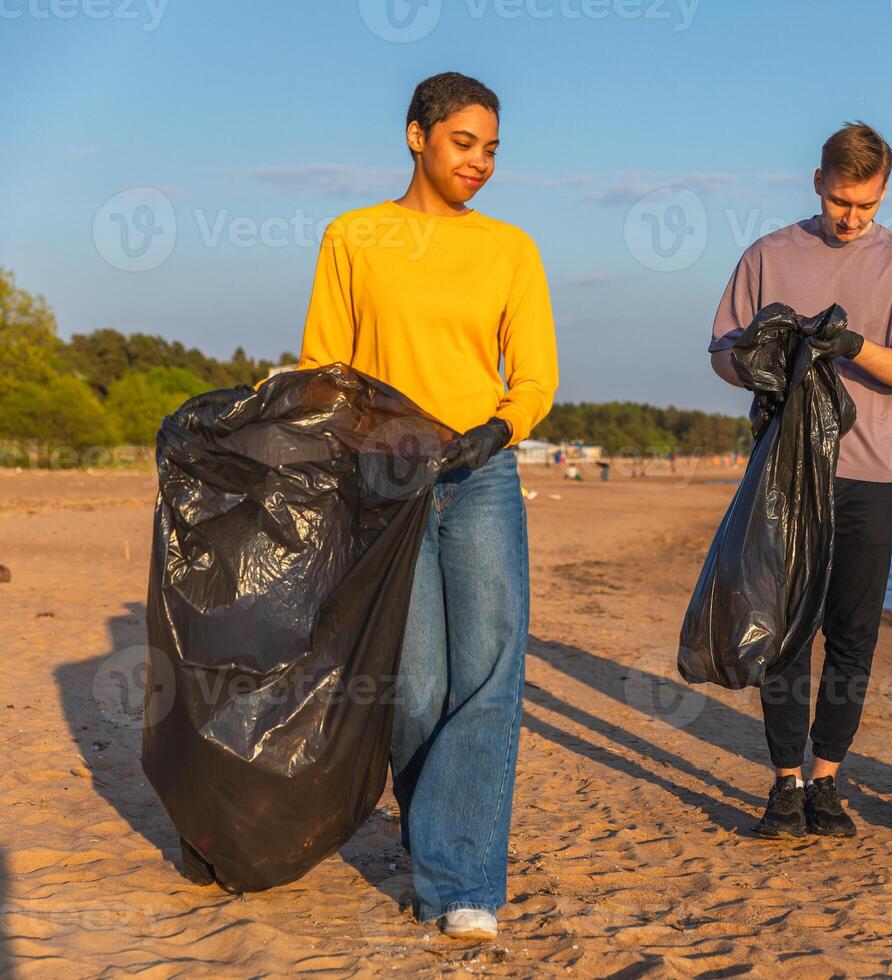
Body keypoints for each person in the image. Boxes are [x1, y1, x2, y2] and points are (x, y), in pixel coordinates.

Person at [296, 71, 558, 938]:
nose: (479, 162)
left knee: (487, 675)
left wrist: (496, 432)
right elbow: (323, 368)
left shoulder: (511, 248)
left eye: (491, 149)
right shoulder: (354, 237)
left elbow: (535, 376)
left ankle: (463, 886)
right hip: (383, 482)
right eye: (462, 143)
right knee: (412, 691)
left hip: (480, 475)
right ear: (416, 135)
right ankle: (440, 839)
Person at [708, 122, 892, 839]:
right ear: (818, 182)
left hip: (871, 473)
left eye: (865, 206)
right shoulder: (768, 254)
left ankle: (826, 782)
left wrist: (853, 345)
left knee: (852, 634)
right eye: (841, 201)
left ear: (883, 195)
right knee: (783, 630)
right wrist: (758, 361)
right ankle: (783, 784)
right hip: (784, 472)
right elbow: (719, 351)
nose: (851, 218)